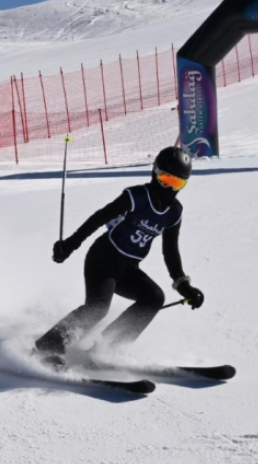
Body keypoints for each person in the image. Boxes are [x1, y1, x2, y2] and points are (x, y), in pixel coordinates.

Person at [34, 146, 205, 366]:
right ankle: (48, 347)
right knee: (97, 308)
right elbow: (99, 218)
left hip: (128, 269)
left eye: (177, 183)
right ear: (155, 173)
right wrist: (70, 245)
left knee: (154, 298)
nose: (170, 188)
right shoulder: (137, 196)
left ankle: (106, 348)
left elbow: (170, 250)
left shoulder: (174, 212)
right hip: (102, 259)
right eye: (166, 180)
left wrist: (183, 284)